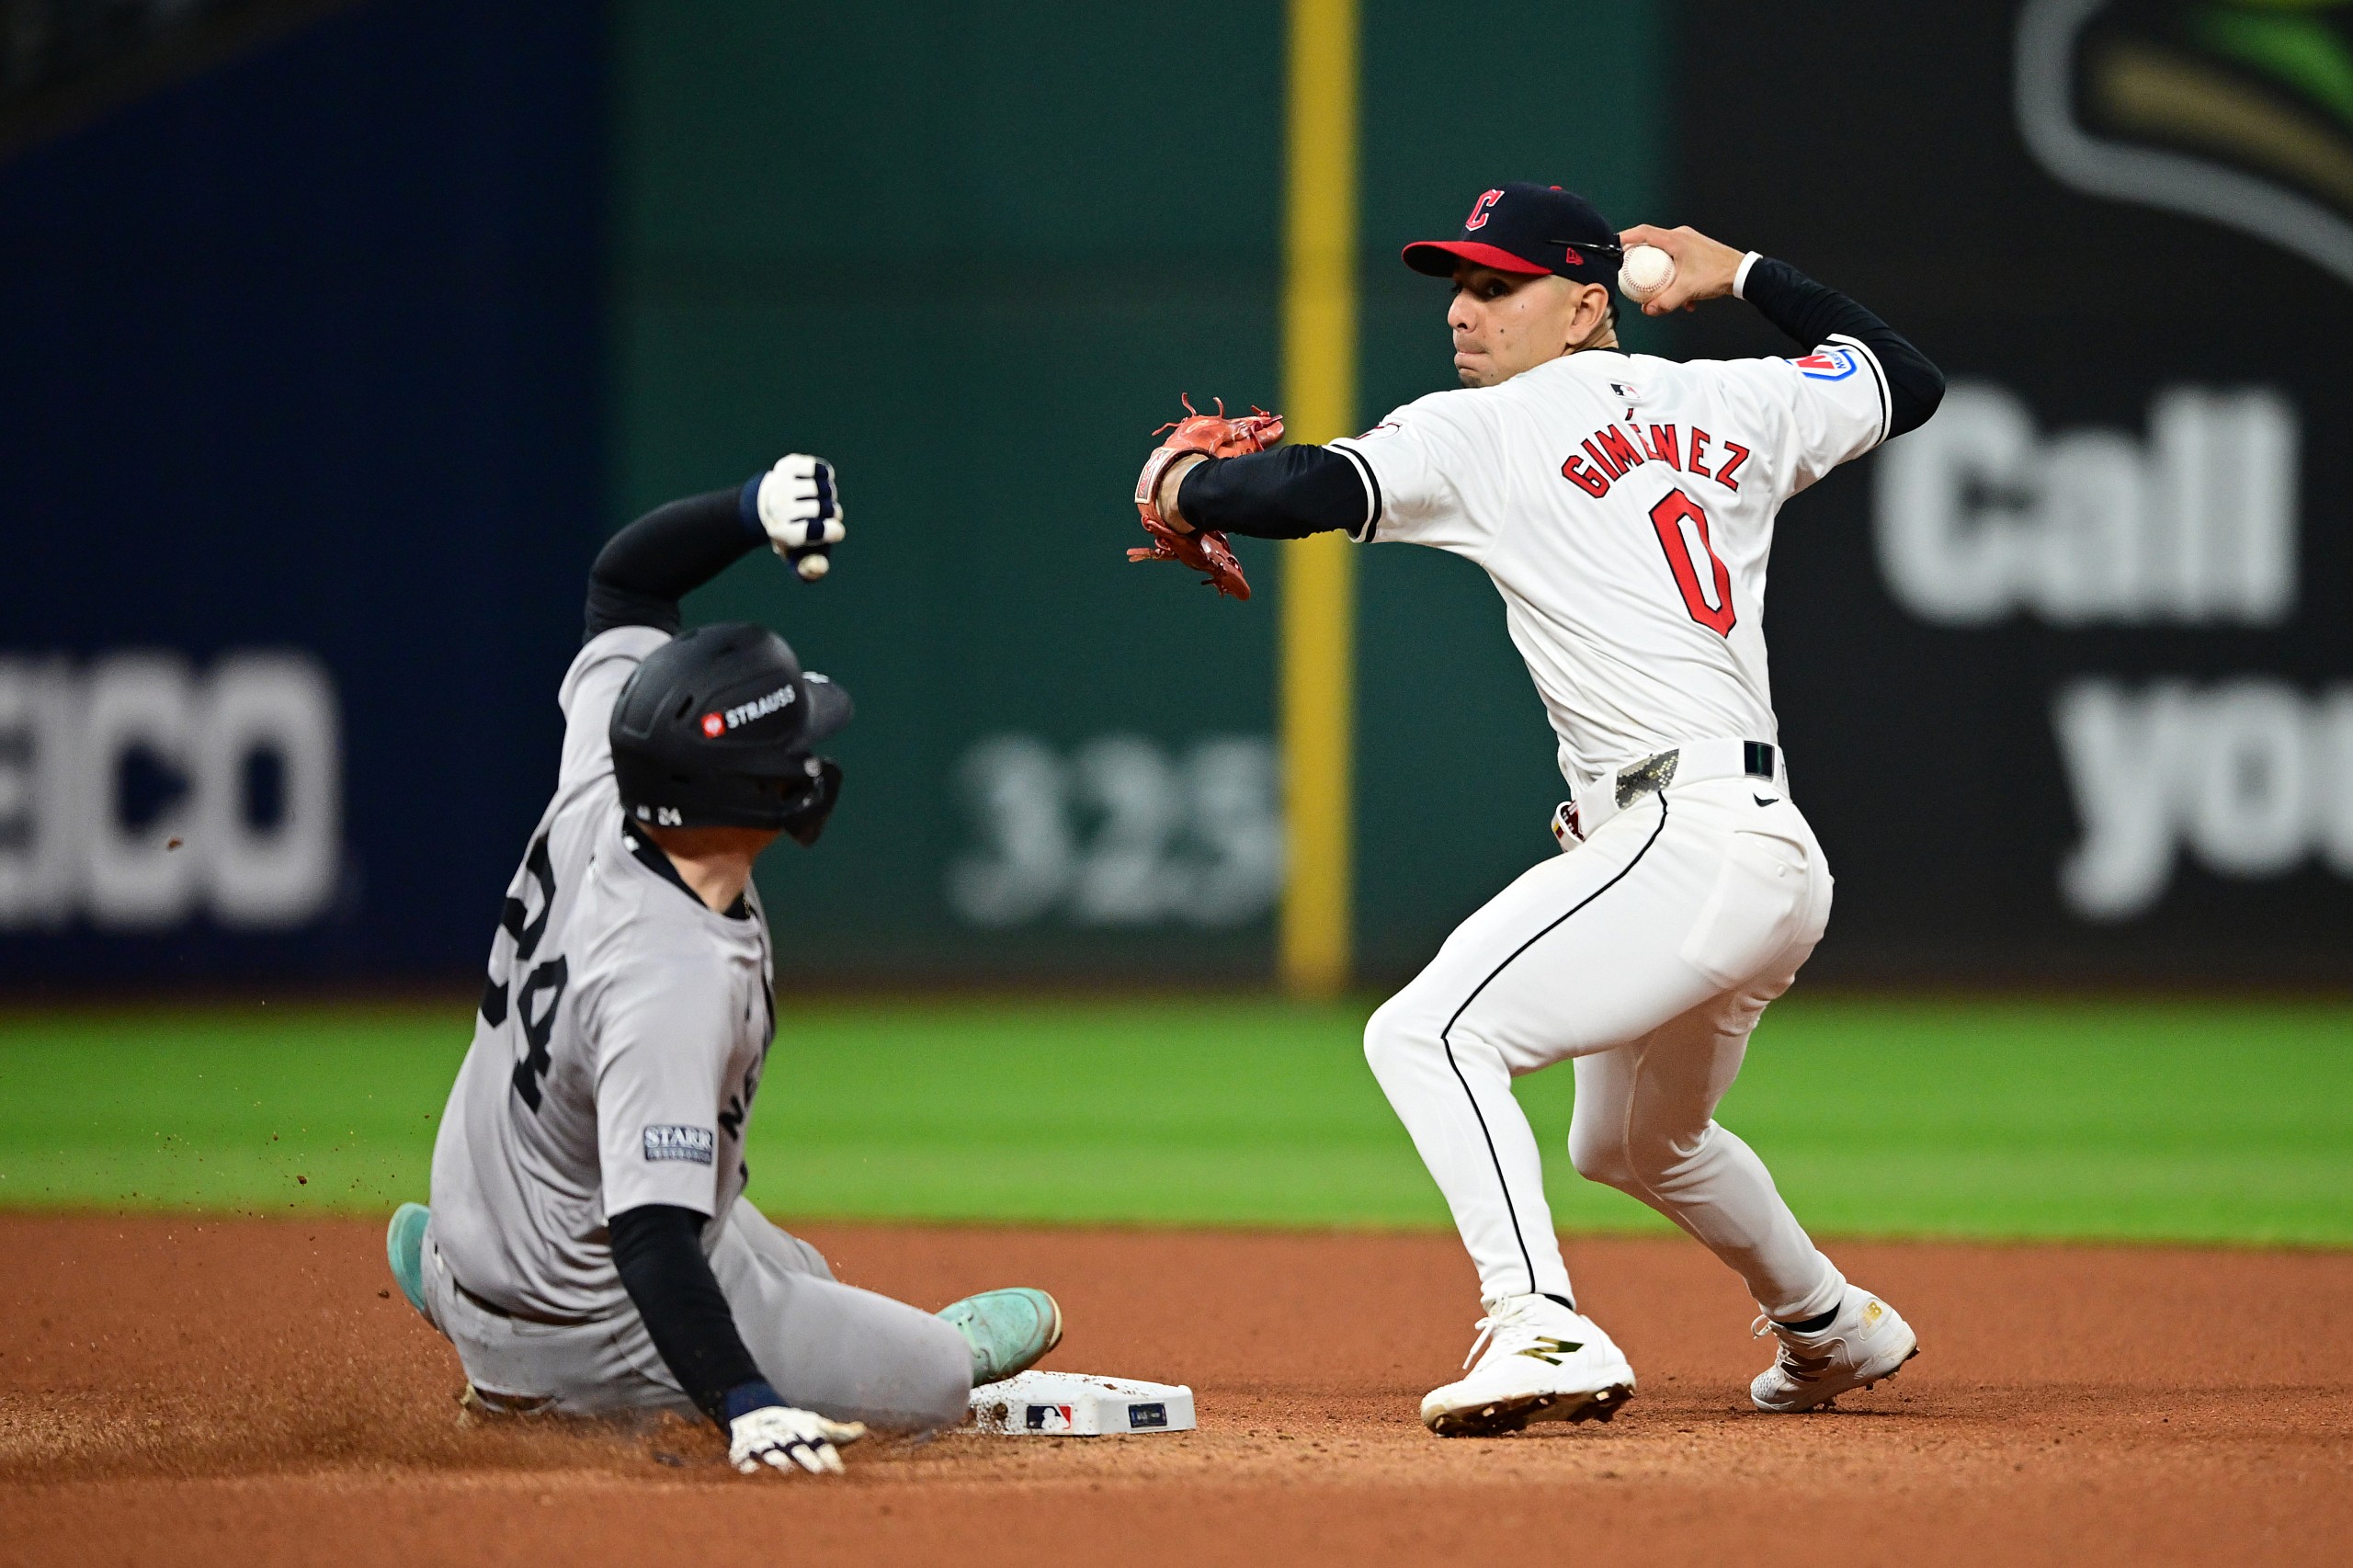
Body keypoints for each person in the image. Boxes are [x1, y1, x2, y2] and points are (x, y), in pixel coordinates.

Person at [1141, 183, 1944, 1435]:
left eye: (1497, 286)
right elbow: (1905, 375)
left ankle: (1539, 1319)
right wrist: (1740, 271)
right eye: (1458, 285)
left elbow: (1292, 490)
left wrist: (1177, 482)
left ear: (1583, 306)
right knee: (1631, 1144)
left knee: (1427, 1033)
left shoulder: (1490, 427)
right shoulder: (1737, 398)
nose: (1464, 311)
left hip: (1686, 836)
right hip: (1761, 849)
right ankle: (1829, 1320)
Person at [384, 455, 1062, 1475]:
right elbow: (651, 1235)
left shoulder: (614, 779)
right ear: (744, 790)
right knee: (929, 1378)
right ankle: (533, 1381)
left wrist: (751, 509)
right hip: (589, 1316)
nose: (812, 759)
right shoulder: (671, 973)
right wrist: (745, 1404)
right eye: (791, 746)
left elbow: (625, 582)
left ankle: (460, 1271)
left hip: (498, 1218)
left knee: (796, 1267)